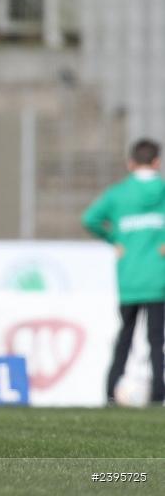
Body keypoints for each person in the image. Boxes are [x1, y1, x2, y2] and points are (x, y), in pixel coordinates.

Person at [82, 138, 165, 405]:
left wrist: (113, 238)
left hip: (129, 277)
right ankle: (158, 395)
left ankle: (110, 389)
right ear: (157, 162)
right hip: (158, 278)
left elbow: (89, 219)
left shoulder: (118, 194)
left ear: (130, 163)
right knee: (156, 339)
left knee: (125, 337)